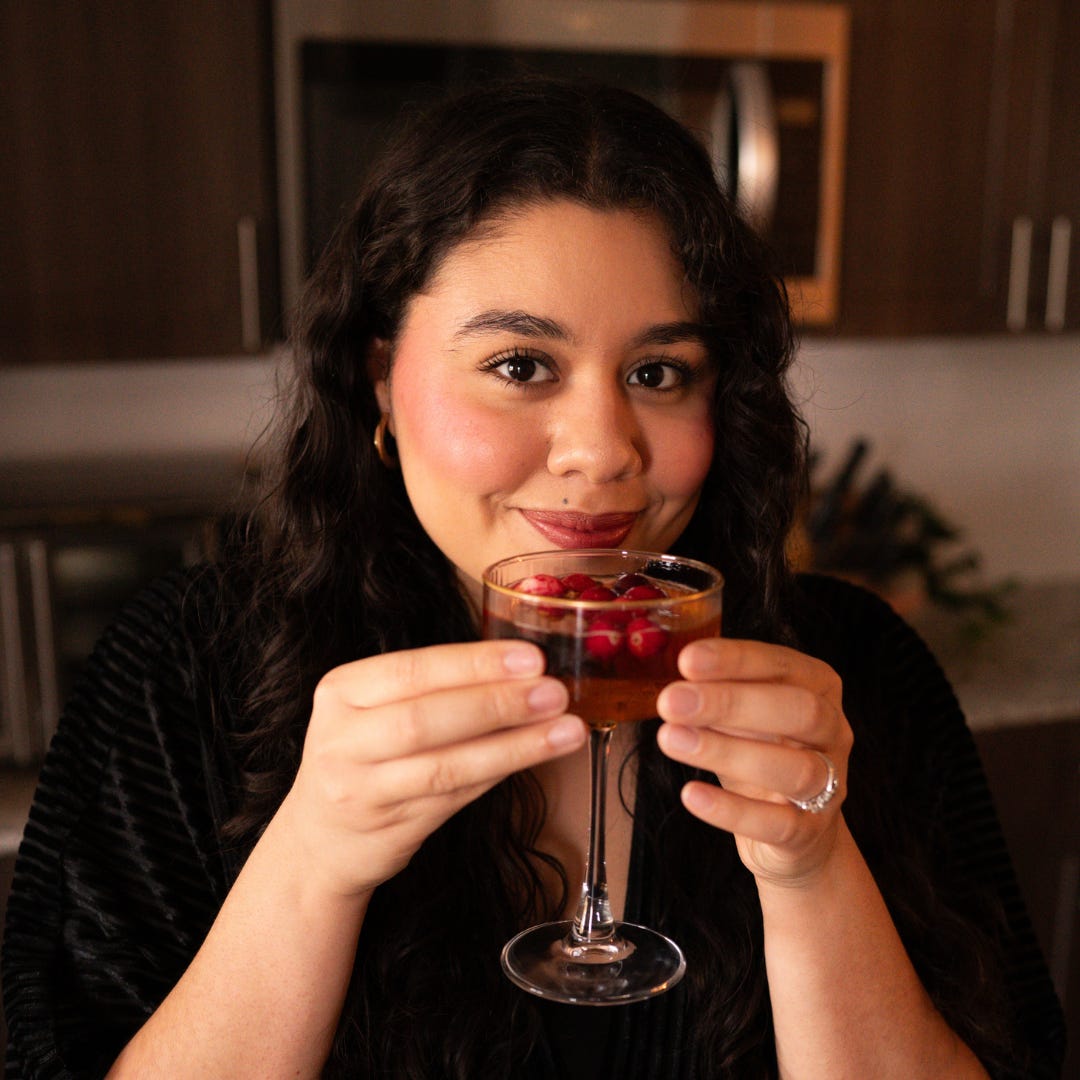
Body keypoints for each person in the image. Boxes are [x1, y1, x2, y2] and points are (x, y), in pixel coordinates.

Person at [1, 77, 1065, 1080]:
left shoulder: (859, 674)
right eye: (520, 366)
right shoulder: (176, 674)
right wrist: (313, 858)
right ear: (381, 379)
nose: (602, 451)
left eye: (658, 372)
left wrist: (813, 868)